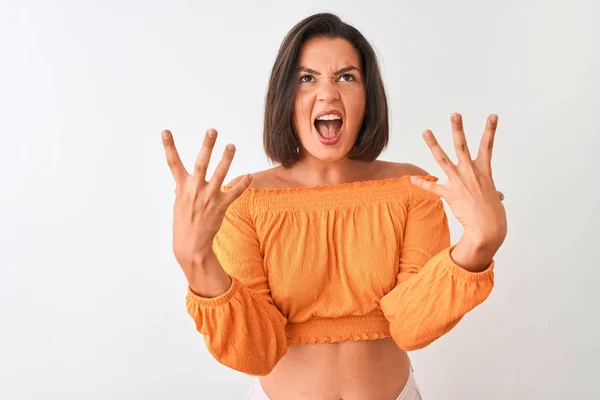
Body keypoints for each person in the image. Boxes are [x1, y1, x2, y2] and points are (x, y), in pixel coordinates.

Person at [161, 12, 507, 400]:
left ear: (367, 97)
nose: (328, 94)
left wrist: (479, 243)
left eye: (346, 77)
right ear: (285, 98)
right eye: (307, 78)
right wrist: (196, 260)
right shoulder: (244, 202)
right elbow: (255, 353)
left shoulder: (411, 188)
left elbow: (412, 326)